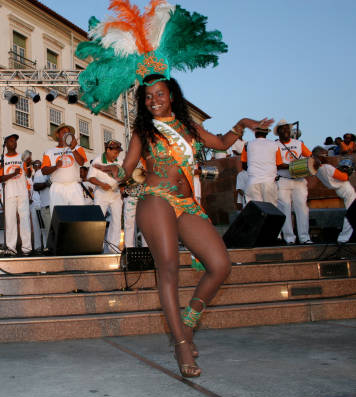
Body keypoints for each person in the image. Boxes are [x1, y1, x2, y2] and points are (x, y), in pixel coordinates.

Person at [94, 74, 272, 377]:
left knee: (220, 265)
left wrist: (241, 124)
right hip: (155, 199)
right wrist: (116, 171)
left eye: (159, 94)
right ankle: (179, 343)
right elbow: (127, 170)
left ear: (172, 96)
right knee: (169, 269)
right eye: (148, 97)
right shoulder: (142, 129)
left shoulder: (189, 127)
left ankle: (188, 322)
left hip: (188, 203)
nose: (154, 101)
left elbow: (220, 143)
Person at [275, 119, 313, 244]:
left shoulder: (298, 143)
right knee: (284, 208)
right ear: (278, 131)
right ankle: (289, 238)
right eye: (282, 128)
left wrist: (310, 164)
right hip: (283, 180)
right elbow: (279, 164)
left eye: (287, 128)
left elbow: (310, 156)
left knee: (302, 208)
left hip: (299, 180)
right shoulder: (275, 145)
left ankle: (305, 237)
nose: (286, 130)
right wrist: (297, 165)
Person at [0, 134, 32, 255]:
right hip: (9, 193)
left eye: (15, 141)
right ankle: (11, 248)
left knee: (25, 220)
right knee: (10, 221)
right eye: (11, 141)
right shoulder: (1, 159)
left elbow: (29, 174)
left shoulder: (21, 157)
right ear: (5, 144)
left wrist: (29, 165)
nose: (14, 143)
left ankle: (27, 248)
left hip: (22, 192)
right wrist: (12, 174)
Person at [41, 124, 87, 215]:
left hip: (74, 186)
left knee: (79, 216)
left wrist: (73, 149)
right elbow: (44, 170)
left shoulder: (78, 148)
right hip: (57, 187)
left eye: (68, 132)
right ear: (57, 135)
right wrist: (55, 167)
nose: (67, 134)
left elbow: (82, 162)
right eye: (64, 132)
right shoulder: (49, 152)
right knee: (59, 216)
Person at [87, 140, 124, 253]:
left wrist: (122, 188)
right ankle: (96, 247)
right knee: (98, 220)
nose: (116, 155)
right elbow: (90, 177)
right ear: (108, 150)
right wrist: (102, 185)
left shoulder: (120, 161)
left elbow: (123, 177)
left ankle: (114, 247)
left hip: (116, 194)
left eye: (118, 152)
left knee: (117, 219)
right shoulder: (97, 160)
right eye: (115, 152)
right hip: (101, 193)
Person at [312, 147, 355, 243]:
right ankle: (344, 238)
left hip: (340, 190)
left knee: (351, 213)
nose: (327, 157)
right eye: (325, 155)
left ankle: (345, 237)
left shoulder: (317, 171)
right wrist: (347, 171)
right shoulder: (327, 167)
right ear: (320, 156)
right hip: (346, 190)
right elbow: (344, 177)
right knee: (351, 214)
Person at [240, 127, 281, 204]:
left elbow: (244, 166)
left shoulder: (247, 145)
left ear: (255, 133)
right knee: (272, 210)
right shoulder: (275, 145)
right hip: (269, 182)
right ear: (267, 133)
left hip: (252, 182)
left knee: (255, 211)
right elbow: (278, 164)